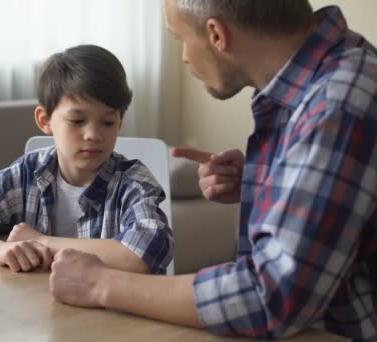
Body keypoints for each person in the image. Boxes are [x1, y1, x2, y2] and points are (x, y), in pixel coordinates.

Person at [49, 1, 377, 340]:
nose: (185, 57)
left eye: (180, 39)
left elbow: (271, 297)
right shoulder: (335, 75)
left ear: (217, 34)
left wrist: (100, 283)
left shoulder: (338, 103)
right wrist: (264, 181)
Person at [0, 44, 173, 275]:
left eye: (107, 122)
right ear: (45, 121)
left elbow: (141, 256)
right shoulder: (27, 174)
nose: (93, 135)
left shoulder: (134, 183)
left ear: (119, 122)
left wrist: (41, 241)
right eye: (77, 121)